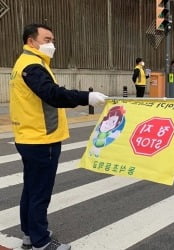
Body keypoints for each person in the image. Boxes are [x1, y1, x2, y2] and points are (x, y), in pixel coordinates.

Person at [9, 23, 107, 250]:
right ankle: (41, 242)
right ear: (31, 41)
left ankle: (30, 234)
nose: (51, 44)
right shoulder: (33, 66)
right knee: (40, 191)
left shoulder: (25, 63)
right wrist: (86, 97)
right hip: (42, 138)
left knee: (31, 189)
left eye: (52, 40)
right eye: (46, 39)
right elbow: (52, 94)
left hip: (29, 136)